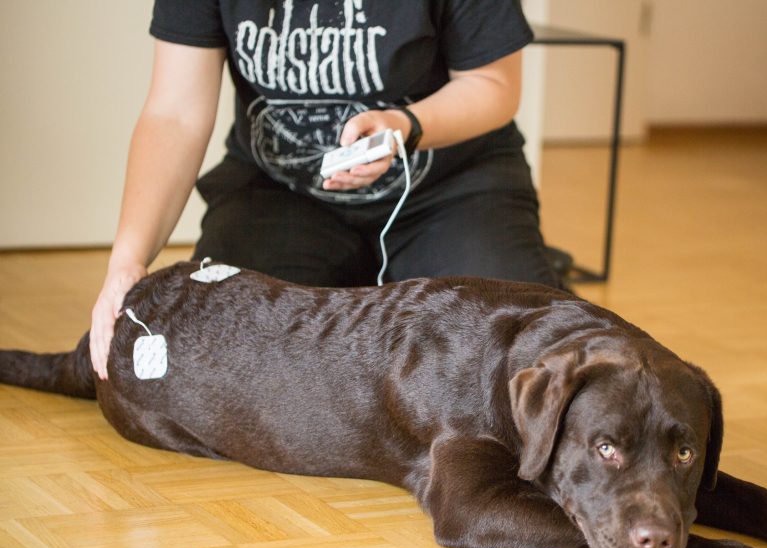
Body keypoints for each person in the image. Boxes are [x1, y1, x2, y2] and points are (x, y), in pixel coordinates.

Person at [90, 0, 561, 379]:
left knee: (520, 345)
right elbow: (174, 114)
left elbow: (493, 83)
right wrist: (127, 262)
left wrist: (406, 125)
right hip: (281, 195)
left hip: (452, 189)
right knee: (221, 346)